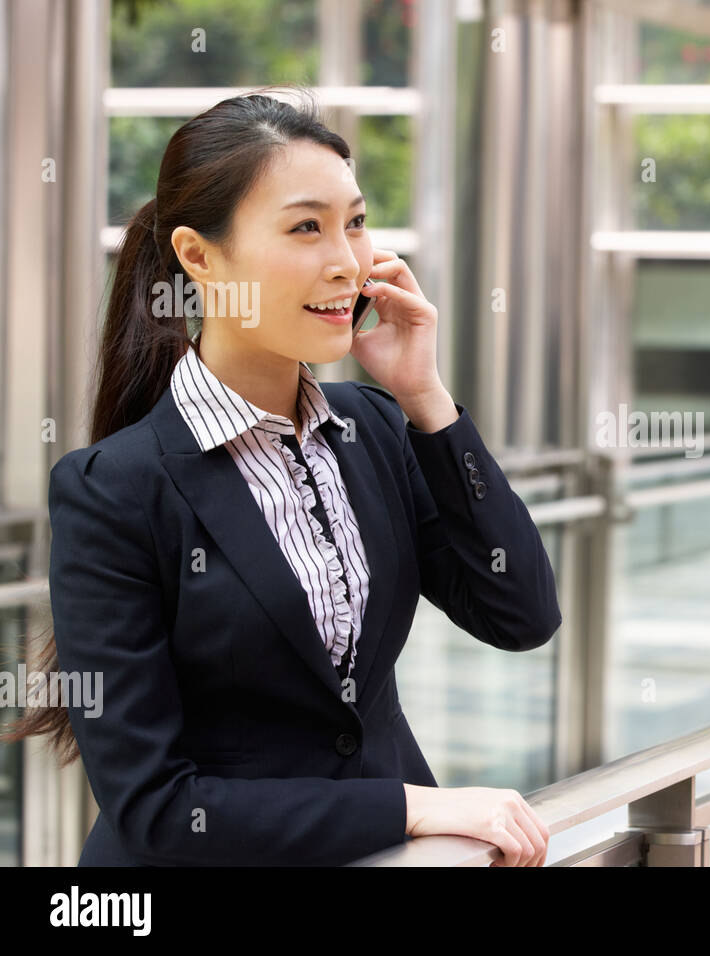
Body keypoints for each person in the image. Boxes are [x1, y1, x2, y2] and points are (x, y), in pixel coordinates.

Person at [1, 89, 559, 867]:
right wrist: (408, 807)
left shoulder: (376, 429)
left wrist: (427, 400)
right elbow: (159, 808)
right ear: (199, 257)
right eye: (306, 227)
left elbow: (522, 612)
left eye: (356, 223)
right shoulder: (113, 489)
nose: (347, 261)